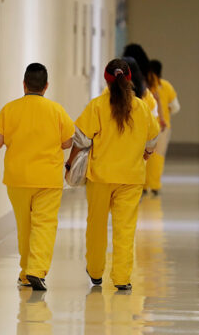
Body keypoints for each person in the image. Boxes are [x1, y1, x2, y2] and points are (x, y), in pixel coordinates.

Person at [66, 59, 160, 291]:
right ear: (129, 80)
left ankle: (96, 272)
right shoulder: (141, 107)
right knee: (125, 229)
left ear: (106, 80)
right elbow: (153, 139)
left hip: (101, 177)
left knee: (96, 225)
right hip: (131, 177)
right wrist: (146, 154)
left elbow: (81, 138)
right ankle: (121, 278)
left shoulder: (97, 106)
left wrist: (70, 163)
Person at [0, 63, 74, 291]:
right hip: (48, 179)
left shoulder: (11, 109)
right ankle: (36, 270)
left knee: (24, 226)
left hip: (18, 179)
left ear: (24, 84)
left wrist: (0, 135)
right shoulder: (56, 110)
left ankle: (26, 273)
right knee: (44, 225)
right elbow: (68, 141)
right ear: (46, 86)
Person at [144, 59, 180, 195]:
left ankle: (143, 185)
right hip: (163, 127)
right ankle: (154, 185)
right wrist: (166, 110)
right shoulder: (166, 86)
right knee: (158, 156)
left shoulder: (145, 87)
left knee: (145, 155)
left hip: (147, 126)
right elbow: (176, 107)